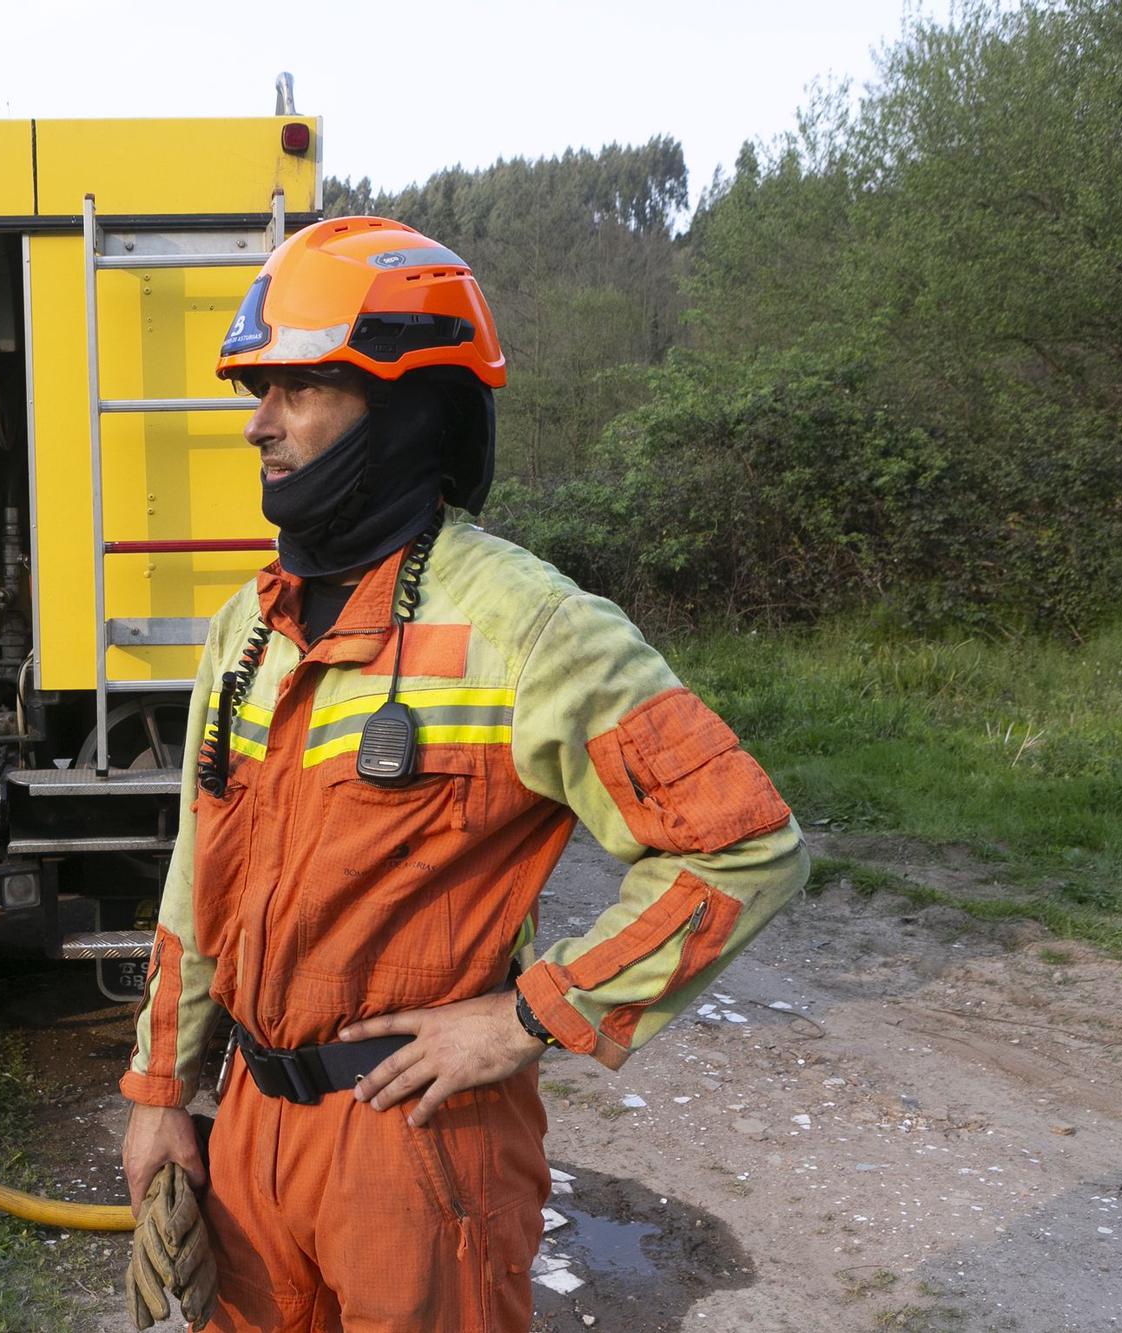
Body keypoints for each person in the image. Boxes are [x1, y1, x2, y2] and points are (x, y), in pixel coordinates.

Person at [118, 216, 808, 1332]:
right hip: (245, 1130)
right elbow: (197, 884)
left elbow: (743, 846)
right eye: (258, 390)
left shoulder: (531, 625)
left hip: (416, 1142)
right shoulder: (248, 627)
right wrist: (160, 1093)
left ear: (410, 406)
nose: (259, 424)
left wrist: (526, 1018)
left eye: (301, 389)